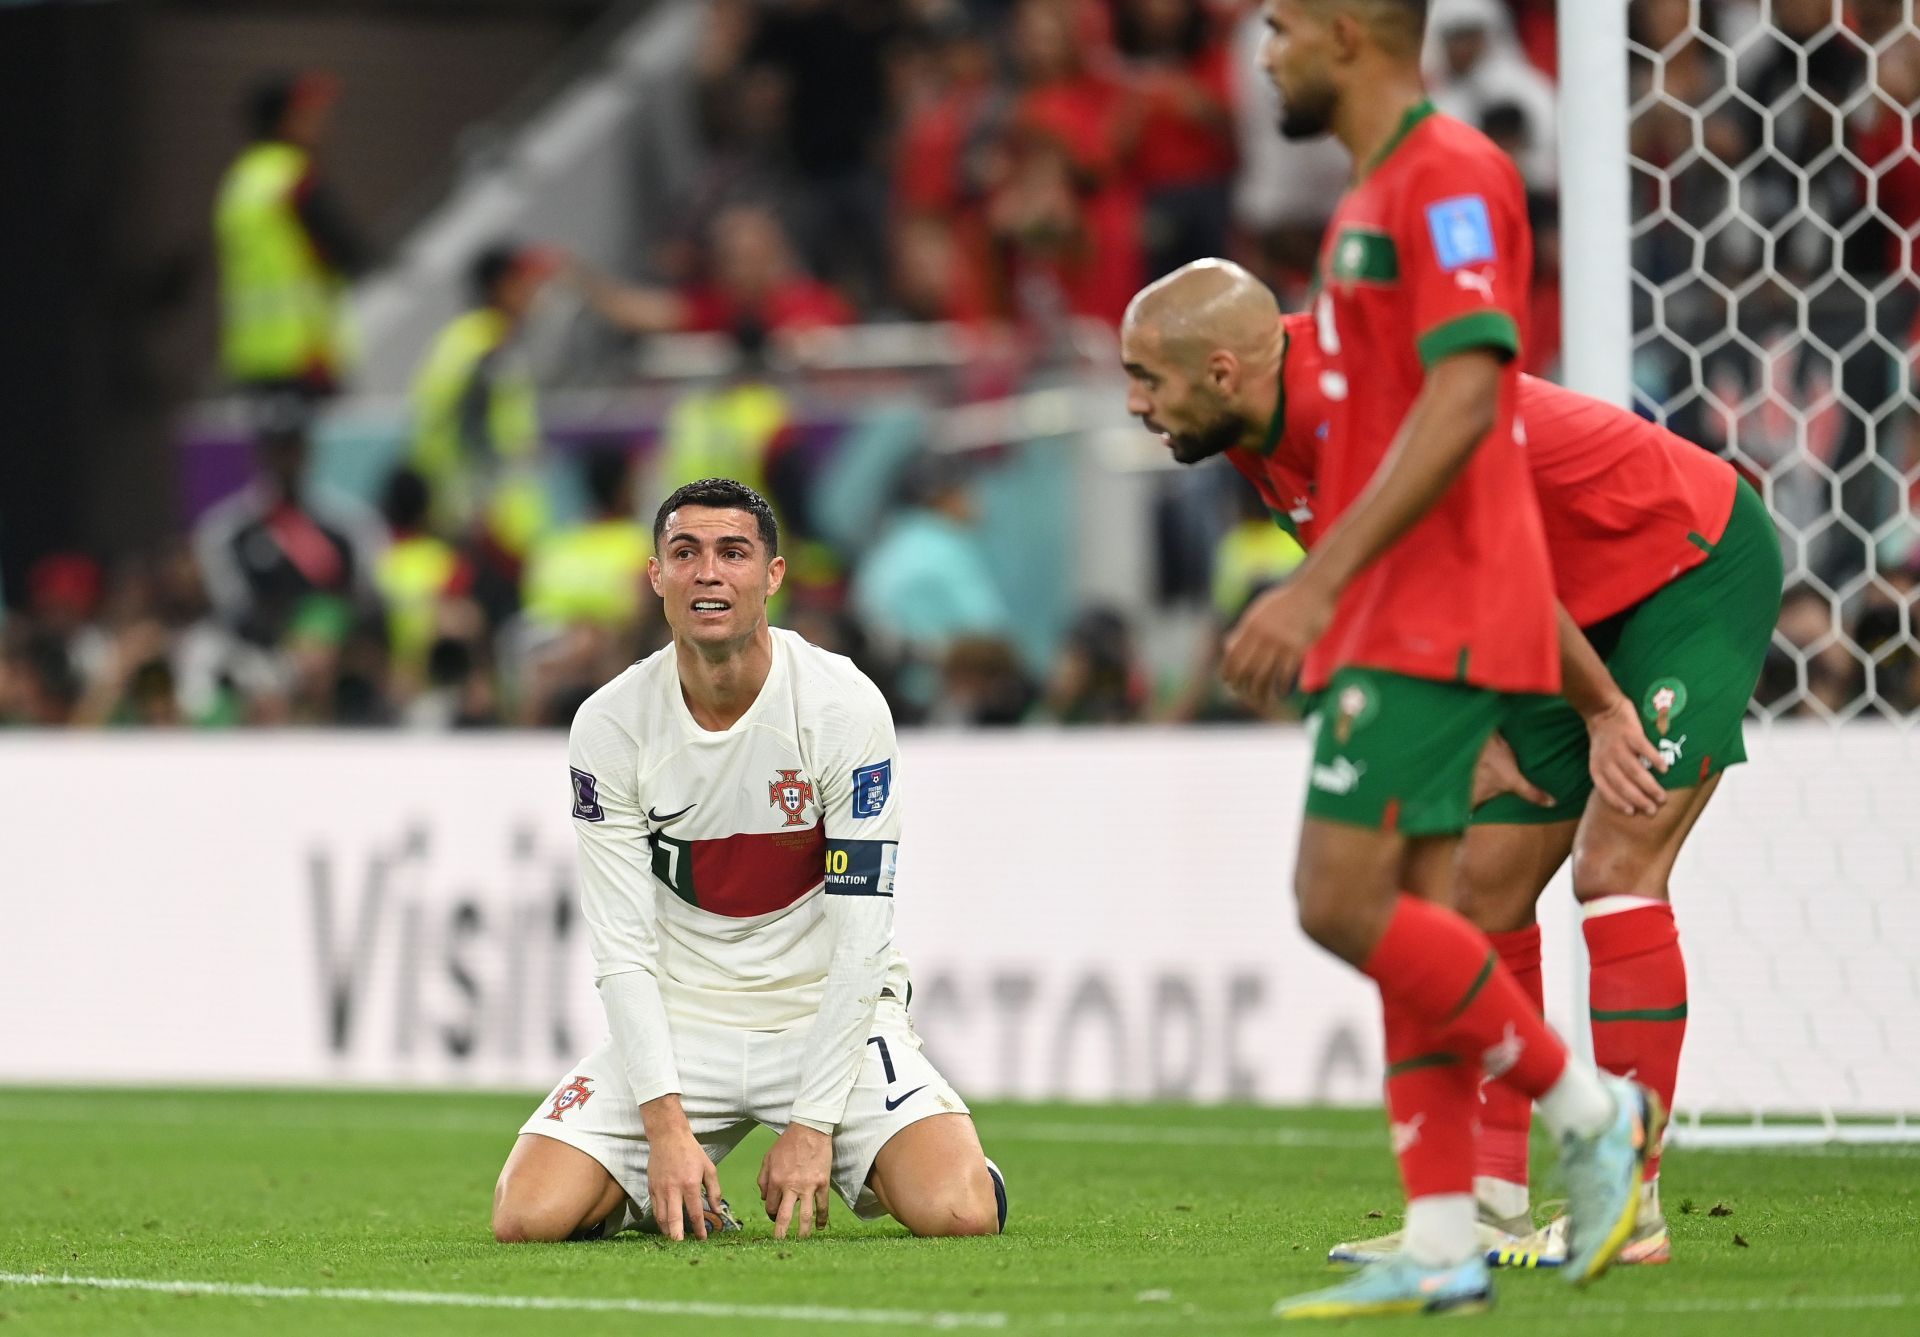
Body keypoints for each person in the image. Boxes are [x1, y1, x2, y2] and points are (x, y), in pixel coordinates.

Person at [1122, 3, 1658, 1317]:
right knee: (1416, 915)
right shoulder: (1367, 208)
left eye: (1284, 28)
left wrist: (1319, 587)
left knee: (1338, 900)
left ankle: (1589, 1112)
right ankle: (1440, 1233)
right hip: (1400, 608)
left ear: (1353, 34)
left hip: (1429, 604)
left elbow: (1474, 394)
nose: (1266, 57)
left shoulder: (1450, 177)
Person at [1135, 285, 1779, 1270]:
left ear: (1220, 371)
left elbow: (1499, 562)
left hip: (1679, 563)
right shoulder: (1255, 429)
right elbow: (1371, 566)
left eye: (1145, 378)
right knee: (1480, 884)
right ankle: (1488, 1201)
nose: (1134, 403)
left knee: (1613, 860)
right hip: (1544, 607)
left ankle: (1630, 1204)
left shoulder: (1365, 403)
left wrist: (1607, 710)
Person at [491, 477, 1006, 1245]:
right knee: (527, 1215)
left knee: (961, 1210)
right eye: (685, 552)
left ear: (771, 576)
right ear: (655, 575)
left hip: (822, 1012)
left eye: (733, 552)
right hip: (683, 1017)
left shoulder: (842, 705)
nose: (708, 572)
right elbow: (622, 946)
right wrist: (666, 1131)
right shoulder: (608, 724)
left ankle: (945, 1149)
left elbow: (863, 933)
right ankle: (673, 1192)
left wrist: (811, 1124)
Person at [213, 71, 371, 407]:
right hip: (303, 354)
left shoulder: (240, 181)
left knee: (266, 457)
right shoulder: (295, 179)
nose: (320, 123)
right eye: (307, 114)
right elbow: (349, 250)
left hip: (251, 355)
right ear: (283, 122)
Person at [409, 242, 562, 562]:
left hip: (470, 512)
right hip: (492, 522)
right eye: (525, 283)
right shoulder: (489, 348)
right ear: (502, 287)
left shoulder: (463, 339)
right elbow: (469, 430)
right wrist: (481, 509)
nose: (535, 293)